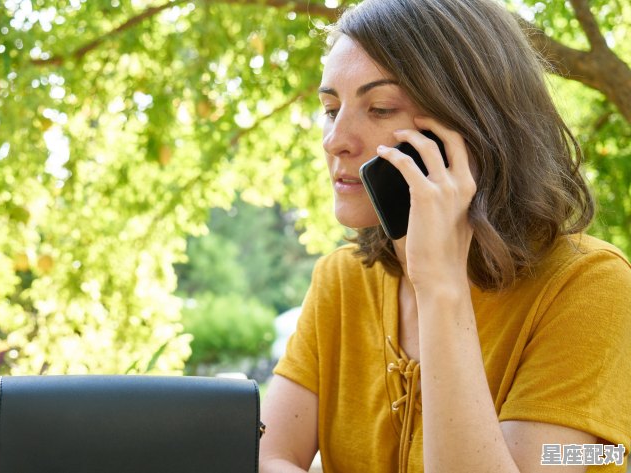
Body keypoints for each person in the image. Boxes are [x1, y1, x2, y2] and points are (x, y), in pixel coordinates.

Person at [258, 0, 631, 472]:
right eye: (331, 108)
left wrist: (440, 285)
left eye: (380, 108)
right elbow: (268, 454)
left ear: (472, 128)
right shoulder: (341, 280)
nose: (336, 139)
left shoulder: (591, 286)